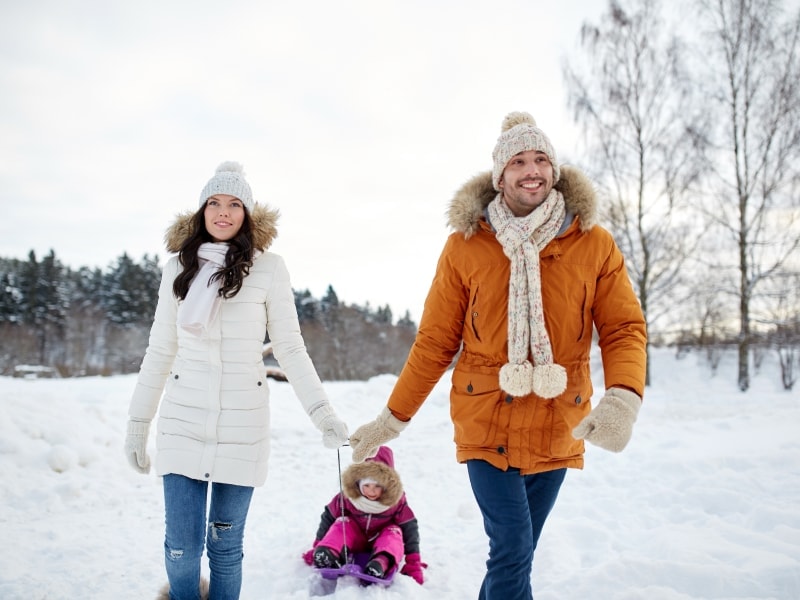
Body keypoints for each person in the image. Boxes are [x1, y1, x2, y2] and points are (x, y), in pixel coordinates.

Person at [349, 112, 647, 599]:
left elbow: (623, 328)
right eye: (518, 162)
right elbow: (435, 342)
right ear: (499, 176)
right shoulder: (466, 245)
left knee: (518, 553)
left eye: (541, 160)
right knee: (511, 546)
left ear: (554, 169)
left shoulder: (593, 243)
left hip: (558, 418)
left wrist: (623, 398)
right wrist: (390, 420)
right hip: (486, 417)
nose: (532, 170)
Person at [124, 161, 349, 600]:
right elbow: (159, 350)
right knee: (182, 549)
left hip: (242, 430)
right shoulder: (177, 269)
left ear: (247, 213)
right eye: (214, 203)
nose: (222, 212)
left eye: (233, 204)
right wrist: (137, 424)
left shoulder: (269, 269)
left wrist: (323, 413)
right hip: (182, 424)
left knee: (225, 548)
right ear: (201, 211)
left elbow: (290, 347)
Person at [301, 445, 426, 585]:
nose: (371, 492)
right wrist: (317, 545)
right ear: (358, 484)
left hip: (381, 541)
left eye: (377, 486)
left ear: (386, 486)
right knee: (342, 522)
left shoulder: (396, 502)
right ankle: (329, 553)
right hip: (353, 540)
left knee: (394, 531)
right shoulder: (348, 498)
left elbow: (410, 529)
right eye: (366, 486)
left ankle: (380, 563)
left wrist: (413, 562)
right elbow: (328, 517)